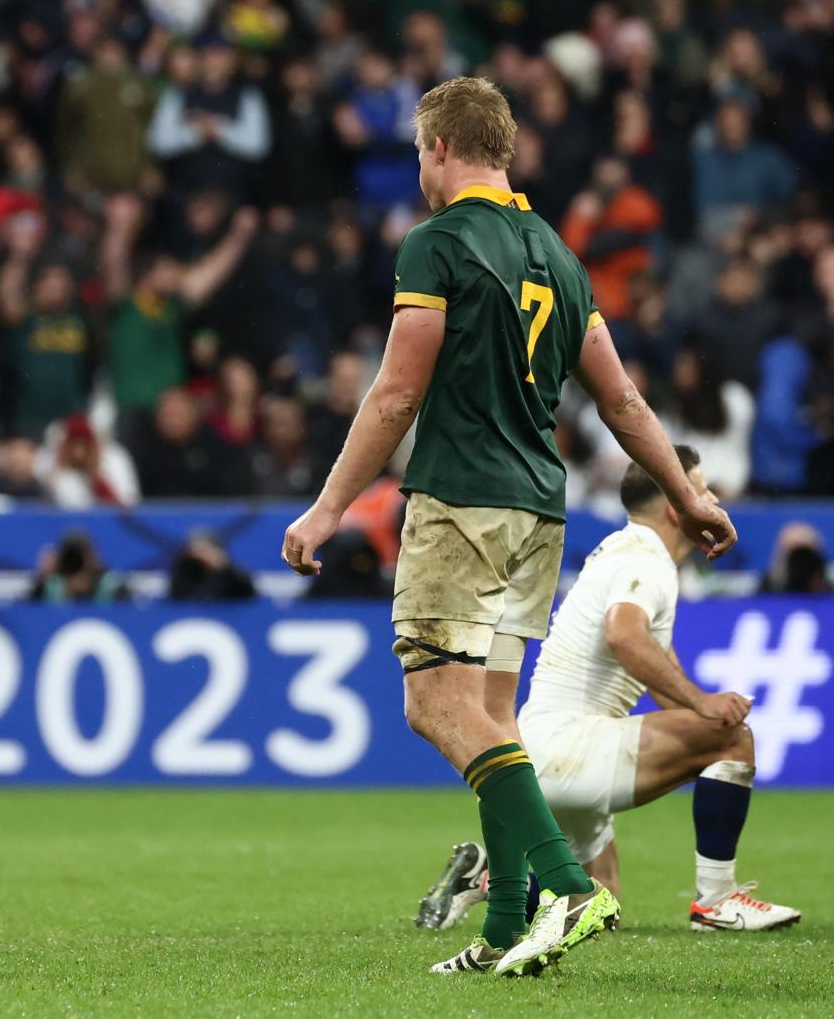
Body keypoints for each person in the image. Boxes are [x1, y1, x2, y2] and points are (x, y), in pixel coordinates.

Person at [281, 76, 736, 979]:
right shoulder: (561, 258)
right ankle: (503, 922)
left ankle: (569, 884)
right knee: (494, 716)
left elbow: (399, 390)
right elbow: (621, 400)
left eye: (419, 151)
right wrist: (687, 497)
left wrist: (328, 505)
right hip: (540, 508)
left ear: (442, 148)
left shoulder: (437, 244)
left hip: (463, 502)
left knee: (433, 704)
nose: (419, 167)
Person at [415, 448, 800, 941]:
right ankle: (717, 899)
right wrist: (704, 707)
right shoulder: (646, 558)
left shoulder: (628, 551)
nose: (711, 499)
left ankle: (483, 881)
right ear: (672, 503)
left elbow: (652, 652)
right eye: (700, 490)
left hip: (542, 749)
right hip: (571, 746)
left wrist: (693, 707)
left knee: (602, 901)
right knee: (732, 739)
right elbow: (625, 635)